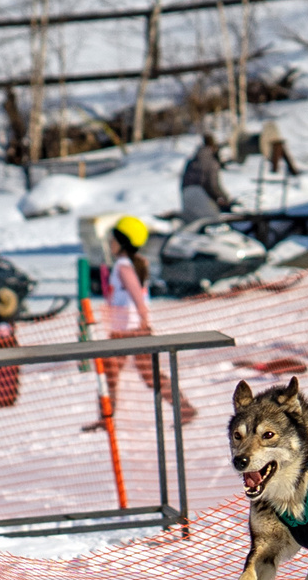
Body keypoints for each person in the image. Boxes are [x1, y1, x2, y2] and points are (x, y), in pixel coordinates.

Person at [93, 215, 194, 423]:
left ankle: (106, 419)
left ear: (123, 242)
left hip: (127, 331)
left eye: (113, 239)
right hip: (132, 329)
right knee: (143, 375)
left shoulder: (123, 265)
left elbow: (136, 293)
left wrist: (143, 317)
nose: (110, 244)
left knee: (112, 371)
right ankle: (183, 409)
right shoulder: (136, 263)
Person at [180, 134, 236, 222]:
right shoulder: (212, 161)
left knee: (193, 224)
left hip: (185, 193)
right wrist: (225, 199)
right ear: (213, 148)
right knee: (214, 221)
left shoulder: (193, 159)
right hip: (198, 193)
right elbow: (213, 186)